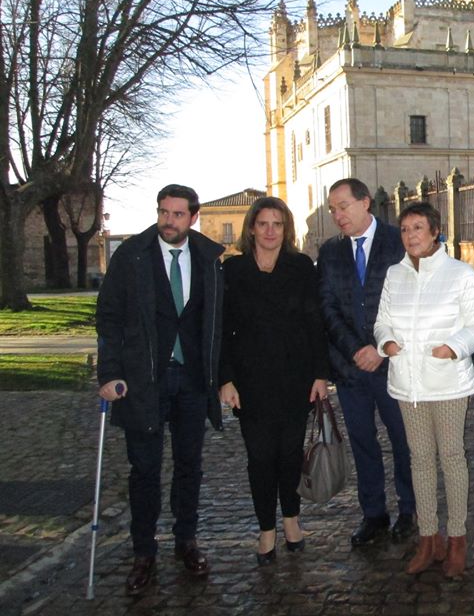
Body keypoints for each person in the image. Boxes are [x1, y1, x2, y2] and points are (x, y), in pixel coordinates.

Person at [96, 184, 224, 596]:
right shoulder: (132, 255)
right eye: (164, 212)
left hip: (191, 380)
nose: (169, 221)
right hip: (143, 380)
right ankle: (143, 552)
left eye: (178, 214)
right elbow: (108, 317)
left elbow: (216, 321)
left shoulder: (208, 259)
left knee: (189, 465)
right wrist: (109, 373)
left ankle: (186, 540)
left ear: (193, 217)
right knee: (145, 469)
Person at [374, 202, 474, 578]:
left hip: (447, 382)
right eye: (405, 229)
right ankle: (429, 539)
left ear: (435, 231)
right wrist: (386, 341)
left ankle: (457, 538)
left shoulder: (460, 273)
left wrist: (454, 347)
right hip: (408, 384)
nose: (410, 236)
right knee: (420, 459)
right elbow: (382, 320)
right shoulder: (395, 274)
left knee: (452, 457)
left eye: (418, 228)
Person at [218, 196, 331, 565]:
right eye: (263, 223)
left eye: (277, 224)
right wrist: (226, 378)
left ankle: (292, 520)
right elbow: (222, 329)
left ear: (286, 229)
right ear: (251, 228)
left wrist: (320, 374)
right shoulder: (233, 270)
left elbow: (315, 323)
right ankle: (266, 528)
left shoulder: (301, 267)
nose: (270, 231)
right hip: (250, 382)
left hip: (295, 378)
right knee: (260, 457)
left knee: (289, 455)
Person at [316, 178, 416, 546]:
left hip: (393, 365)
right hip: (350, 369)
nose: (337, 215)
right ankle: (373, 513)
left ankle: (410, 510)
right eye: (332, 209)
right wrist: (356, 350)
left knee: (404, 441)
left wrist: (379, 348)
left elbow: (410, 301)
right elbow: (326, 306)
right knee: (362, 442)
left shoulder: (397, 241)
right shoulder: (330, 252)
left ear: (365, 203)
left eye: (343, 206)